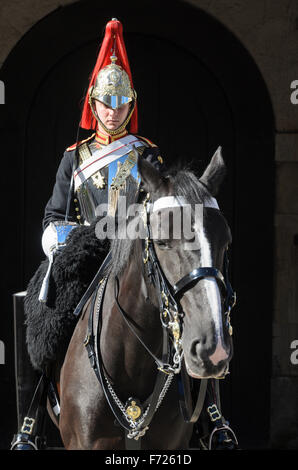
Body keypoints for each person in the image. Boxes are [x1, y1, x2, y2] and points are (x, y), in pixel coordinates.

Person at [11, 18, 238, 450]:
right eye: (105, 101)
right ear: (93, 105)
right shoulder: (73, 159)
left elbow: (163, 208)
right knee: (41, 302)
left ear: (130, 105)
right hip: (86, 254)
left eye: (120, 102)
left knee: (195, 297)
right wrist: (60, 240)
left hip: (135, 253)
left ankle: (212, 414)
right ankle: (31, 416)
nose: (112, 109)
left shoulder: (146, 154)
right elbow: (53, 215)